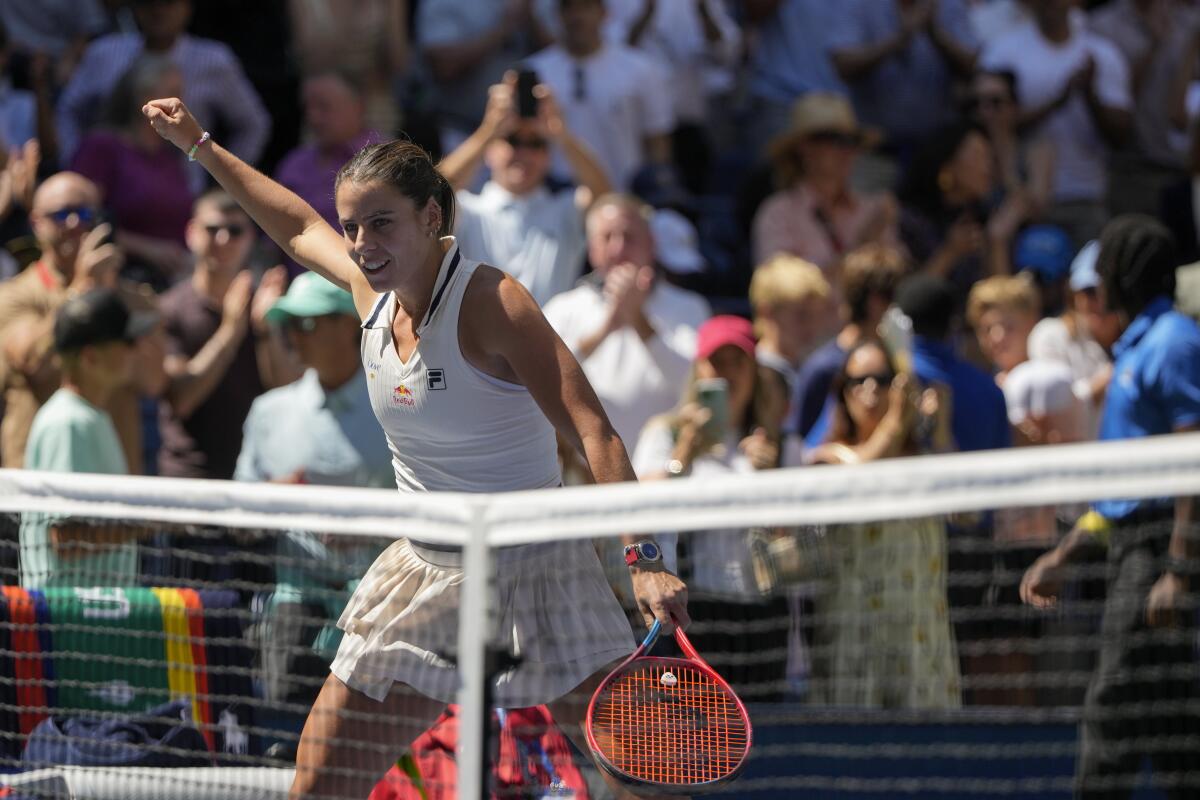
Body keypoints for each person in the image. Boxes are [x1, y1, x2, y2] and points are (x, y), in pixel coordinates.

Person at [142, 95, 687, 800]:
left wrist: (641, 559)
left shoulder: (496, 303)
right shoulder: (367, 288)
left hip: (538, 568)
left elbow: (593, 430)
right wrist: (201, 146)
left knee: (646, 778)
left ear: (432, 217)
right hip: (429, 572)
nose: (362, 243)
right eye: (353, 227)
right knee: (316, 783)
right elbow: (294, 223)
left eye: (381, 222)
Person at [1020, 216, 1200, 798]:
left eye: (1104, 276)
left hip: (1158, 557)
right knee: (1174, 728)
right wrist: (1066, 552)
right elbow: (1125, 489)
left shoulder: (1174, 342)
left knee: (1110, 708)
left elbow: (1192, 464)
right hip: (1132, 551)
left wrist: (1176, 569)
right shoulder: (1134, 350)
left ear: (1125, 274)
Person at [235, 273, 393, 708]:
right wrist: (272, 495)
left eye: (309, 323)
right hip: (294, 607)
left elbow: (432, 501)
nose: (293, 337)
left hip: (382, 603)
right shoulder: (269, 412)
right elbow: (236, 517)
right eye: (287, 325)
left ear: (348, 325)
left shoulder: (397, 408)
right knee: (283, 719)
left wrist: (372, 526)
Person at [631, 314, 792, 701]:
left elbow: (795, 533)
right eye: (716, 362)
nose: (727, 373)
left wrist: (773, 476)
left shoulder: (776, 444)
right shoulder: (664, 434)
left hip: (762, 614)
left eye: (738, 362)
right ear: (698, 370)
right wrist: (682, 457)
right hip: (690, 609)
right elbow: (634, 507)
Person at [806, 339, 960, 709]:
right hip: (854, 629)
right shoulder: (829, 458)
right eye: (857, 381)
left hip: (918, 630)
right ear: (842, 394)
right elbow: (862, 475)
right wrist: (896, 419)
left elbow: (966, 511)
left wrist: (939, 430)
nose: (870, 390)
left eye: (882, 378)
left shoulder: (921, 460)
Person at [543, 193, 709, 447]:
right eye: (607, 237)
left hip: (663, 464)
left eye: (629, 237)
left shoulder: (689, 307)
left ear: (651, 243)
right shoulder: (563, 308)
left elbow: (693, 384)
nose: (618, 249)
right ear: (591, 248)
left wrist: (638, 321)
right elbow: (545, 381)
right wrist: (606, 328)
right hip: (584, 469)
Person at [19, 287, 159, 588]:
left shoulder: (90, 416)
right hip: (65, 625)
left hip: (93, 622)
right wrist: (149, 523)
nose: (137, 349)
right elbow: (66, 539)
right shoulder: (67, 423)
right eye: (127, 341)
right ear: (91, 357)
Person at [437, 71, 610, 306]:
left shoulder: (565, 208)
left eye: (536, 144)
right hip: (481, 341)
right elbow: (432, 193)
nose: (524, 154)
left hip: (553, 340)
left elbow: (605, 196)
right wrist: (488, 130)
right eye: (513, 141)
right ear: (490, 150)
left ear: (549, 157)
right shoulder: (469, 209)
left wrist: (561, 133)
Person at [156, 190, 294, 480]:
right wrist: (231, 330)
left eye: (234, 230)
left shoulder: (265, 305)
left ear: (250, 239)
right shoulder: (169, 308)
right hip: (189, 478)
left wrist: (266, 328)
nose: (223, 239)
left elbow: (286, 392)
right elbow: (181, 398)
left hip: (257, 473)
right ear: (191, 233)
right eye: (212, 229)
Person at [0, 172, 133, 470]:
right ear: (35, 223)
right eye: (61, 214)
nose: (75, 223)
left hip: (116, 486)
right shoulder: (13, 295)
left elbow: (154, 381)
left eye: (85, 213)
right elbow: (33, 362)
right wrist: (82, 290)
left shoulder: (128, 295)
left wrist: (109, 292)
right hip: (37, 486)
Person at [980, 0, 1133, 246]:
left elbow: (1122, 135)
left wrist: (1090, 95)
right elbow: (990, 122)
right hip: (1020, 198)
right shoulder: (1003, 52)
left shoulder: (1102, 53)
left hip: (1087, 196)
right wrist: (1058, 100)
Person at [56, 0, 270, 171]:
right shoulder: (103, 53)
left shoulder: (215, 59)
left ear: (187, 7)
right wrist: (77, 164)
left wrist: (226, 177)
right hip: (108, 191)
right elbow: (67, 111)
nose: (158, 10)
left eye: (168, 2)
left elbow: (253, 124)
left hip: (186, 194)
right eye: (148, 2)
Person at [70, 53, 194, 289]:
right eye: (173, 93)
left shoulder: (170, 155)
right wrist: (147, 248)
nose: (182, 103)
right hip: (121, 278)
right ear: (145, 99)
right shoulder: (103, 148)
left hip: (174, 279)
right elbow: (83, 218)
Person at [526, 0, 675, 189]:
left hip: (623, 197)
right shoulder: (534, 71)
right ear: (558, 15)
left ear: (604, 13)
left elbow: (657, 141)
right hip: (556, 200)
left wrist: (650, 192)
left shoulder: (641, 70)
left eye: (586, 7)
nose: (577, 16)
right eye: (568, 8)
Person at [828, 0, 979, 185]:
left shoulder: (949, 5)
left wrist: (935, 34)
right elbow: (843, 64)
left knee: (927, 212)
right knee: (871, 210)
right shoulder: (859, 4)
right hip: (874, 151)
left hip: (935, 152)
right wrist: (899, 39)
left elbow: (973, 66)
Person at [752, 93, 900, 275]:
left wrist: (947, 250)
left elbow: (895, 284)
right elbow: (785, 294)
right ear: (805, 147)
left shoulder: (871, 211)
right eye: (835, 139)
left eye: (852, 141)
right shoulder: (777, 214)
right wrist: (862, 245)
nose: (847, 151)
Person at [792, 243, 908, 443]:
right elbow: (803, 446)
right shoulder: (823, 368)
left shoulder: (900, 359)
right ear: (875, 301)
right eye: (858, 381)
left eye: (880, 380)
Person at [1026, 240, 1117, 441]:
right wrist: (1108, 379)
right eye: (1090, 292)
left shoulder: (1131, 339)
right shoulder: (1051, 335)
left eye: (1109, 292)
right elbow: (1053, 410)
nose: (1100, 302)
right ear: (1073, 295)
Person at [275, 72, 380, 244]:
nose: (313, 117)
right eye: (308, 108)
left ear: (358, 106)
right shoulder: (294, 163)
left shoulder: (385, 160)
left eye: (324, 107)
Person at [748, 254, 830, 426]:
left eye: (816, 316)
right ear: (767, 312)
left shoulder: (803, 368)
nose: (811, 326)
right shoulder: (755, 376)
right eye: (801, 316)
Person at [965, 274, 1041, 387]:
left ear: (1032, 324)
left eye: (1009, 327)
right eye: (986, 329)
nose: (996, 338)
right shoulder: (983, 388)